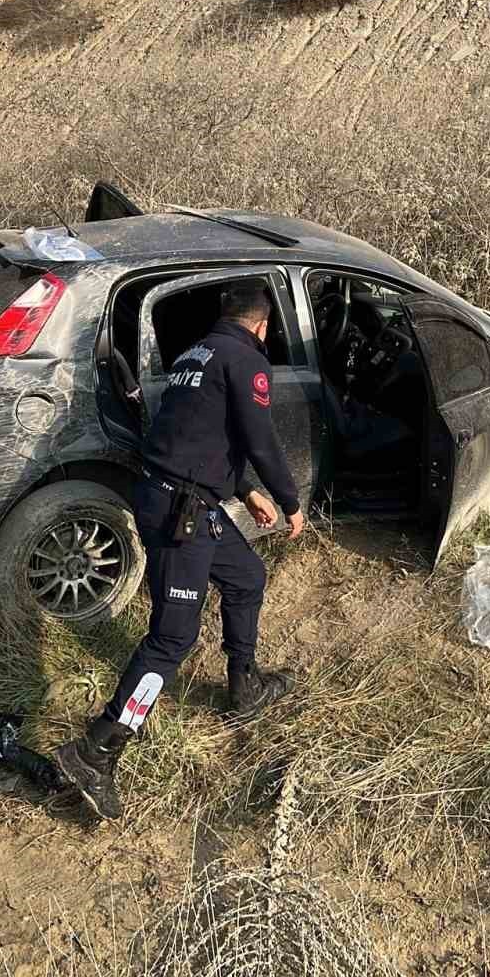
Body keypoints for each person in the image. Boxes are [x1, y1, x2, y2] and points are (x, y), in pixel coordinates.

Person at [54, 280, 305, 818]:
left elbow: (198, 437)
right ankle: (96, 750)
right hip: (180, 513)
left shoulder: (197, 354)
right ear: (262, 325)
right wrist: (290, 501)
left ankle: (244, 685)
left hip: (185, 501)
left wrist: (245, 491)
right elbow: (259, 439)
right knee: (172, 637)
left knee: (246, 579)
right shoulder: (246, 361)